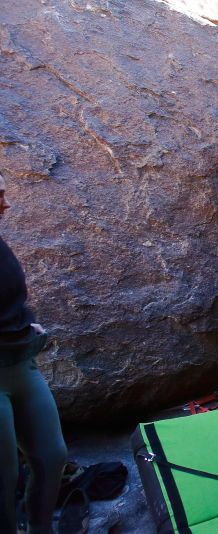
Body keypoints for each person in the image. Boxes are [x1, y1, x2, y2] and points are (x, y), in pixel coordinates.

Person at [0, 172, 67, 534]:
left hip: (21, 364)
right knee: (3, 475)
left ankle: (40, 529)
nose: (6, 203)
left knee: (52, 456)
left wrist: (27, 327)